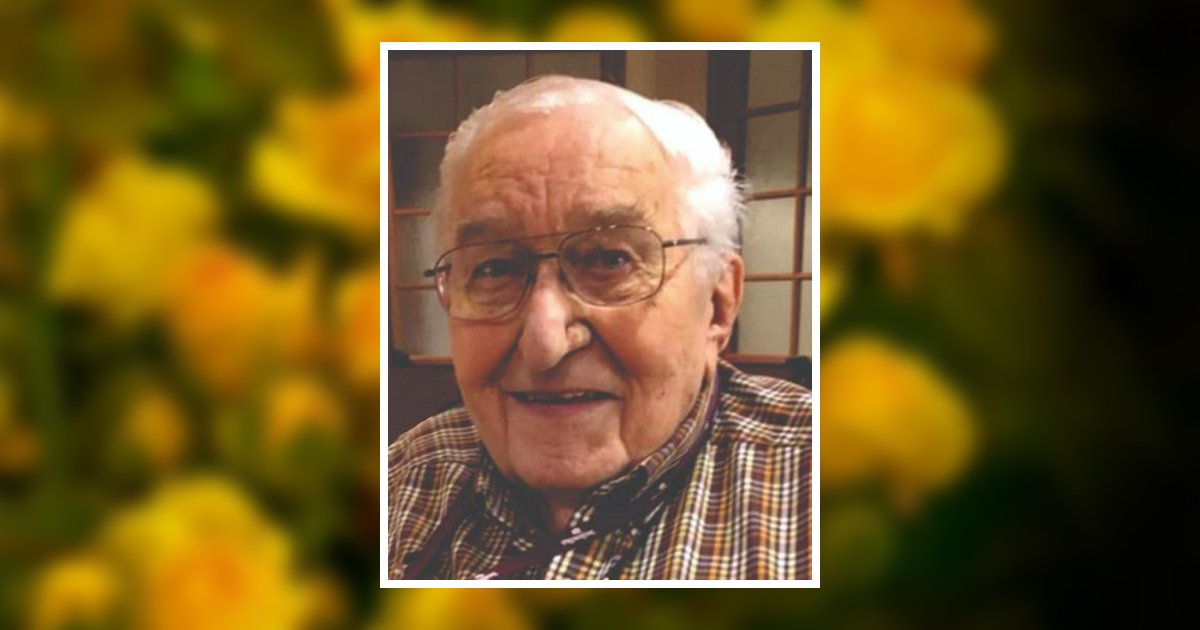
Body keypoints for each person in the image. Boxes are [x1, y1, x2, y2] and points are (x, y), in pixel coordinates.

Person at [387, 75, 812, 580]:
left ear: (718, 305)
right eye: (495, 268)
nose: (545, 342)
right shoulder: (407, 478)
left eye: (609, 260)